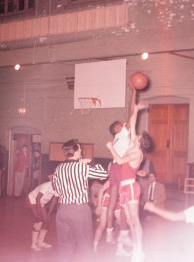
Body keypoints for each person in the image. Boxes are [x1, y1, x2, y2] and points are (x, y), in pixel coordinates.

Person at [106, 102, 151, 262]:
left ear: (140, 141)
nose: (135, 135)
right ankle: (137, 250)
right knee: (130, 221)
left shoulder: (137, 153)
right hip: (124, 188)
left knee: (135, 220)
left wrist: (111, 148)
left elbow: (118, 160)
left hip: (131, 187)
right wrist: (136, 110)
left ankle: (139, 252)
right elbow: (132, 124)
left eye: (138, 136)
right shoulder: (134, 145)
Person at [52, 139, 108, 262]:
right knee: (86, 246)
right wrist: (90, 162)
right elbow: (103, 174)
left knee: (64, 247)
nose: (81, 151)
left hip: (62, 211)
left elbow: (56, 190)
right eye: (79, 148)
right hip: (79, 211)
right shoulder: (81, 167)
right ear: (76, 152)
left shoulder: (58, 169)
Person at [105, 85, 137, 247]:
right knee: (123, 204)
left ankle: (110, 234)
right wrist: (134, 93)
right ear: (117, 128)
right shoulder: (122, 133)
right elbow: (131, 113)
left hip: (113, 168)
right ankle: (124, 234)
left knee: (112, 204)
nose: (124, 124)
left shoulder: (118, 138)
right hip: (122, 169)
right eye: (121, 124)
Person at [26, 173, 59, 251]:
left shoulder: (59, 189)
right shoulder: (47, 186)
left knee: (47, 221)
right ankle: (34, 244)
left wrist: (48, 214)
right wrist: (38, 213)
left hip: (41, 202)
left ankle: (40, 242)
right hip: (32, 199)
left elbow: (54, 201)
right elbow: (37, 198)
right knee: (39, 221)